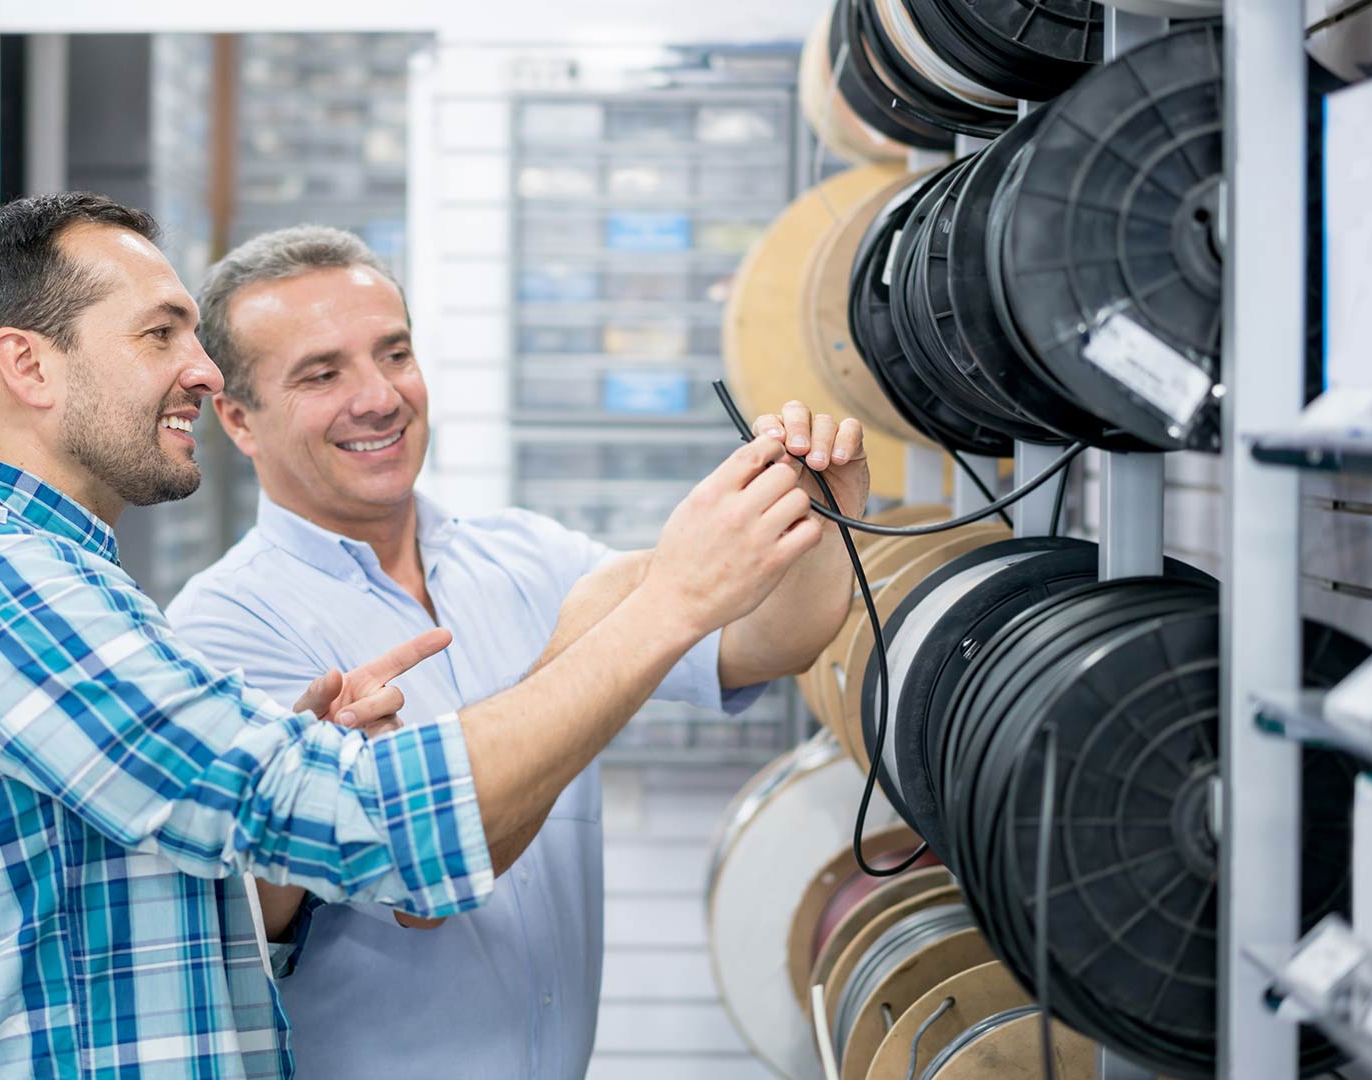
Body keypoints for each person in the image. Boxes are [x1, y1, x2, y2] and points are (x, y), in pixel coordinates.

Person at [0, 193, 823, 1080]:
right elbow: (373, 827)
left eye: (394, 352)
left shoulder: (58, 580)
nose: (199, 370)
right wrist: (667, 605)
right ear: (28, 365)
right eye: (160, 334)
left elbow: (173, 913)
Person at [165, 225, 870, 1079]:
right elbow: (432, 860)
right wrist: (614, 633)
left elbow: (766, 642)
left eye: (395, 354)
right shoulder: (224, 630)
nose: (380, 396)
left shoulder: (526, 556)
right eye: (323, 374)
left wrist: (821, 517)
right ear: (238, 419)